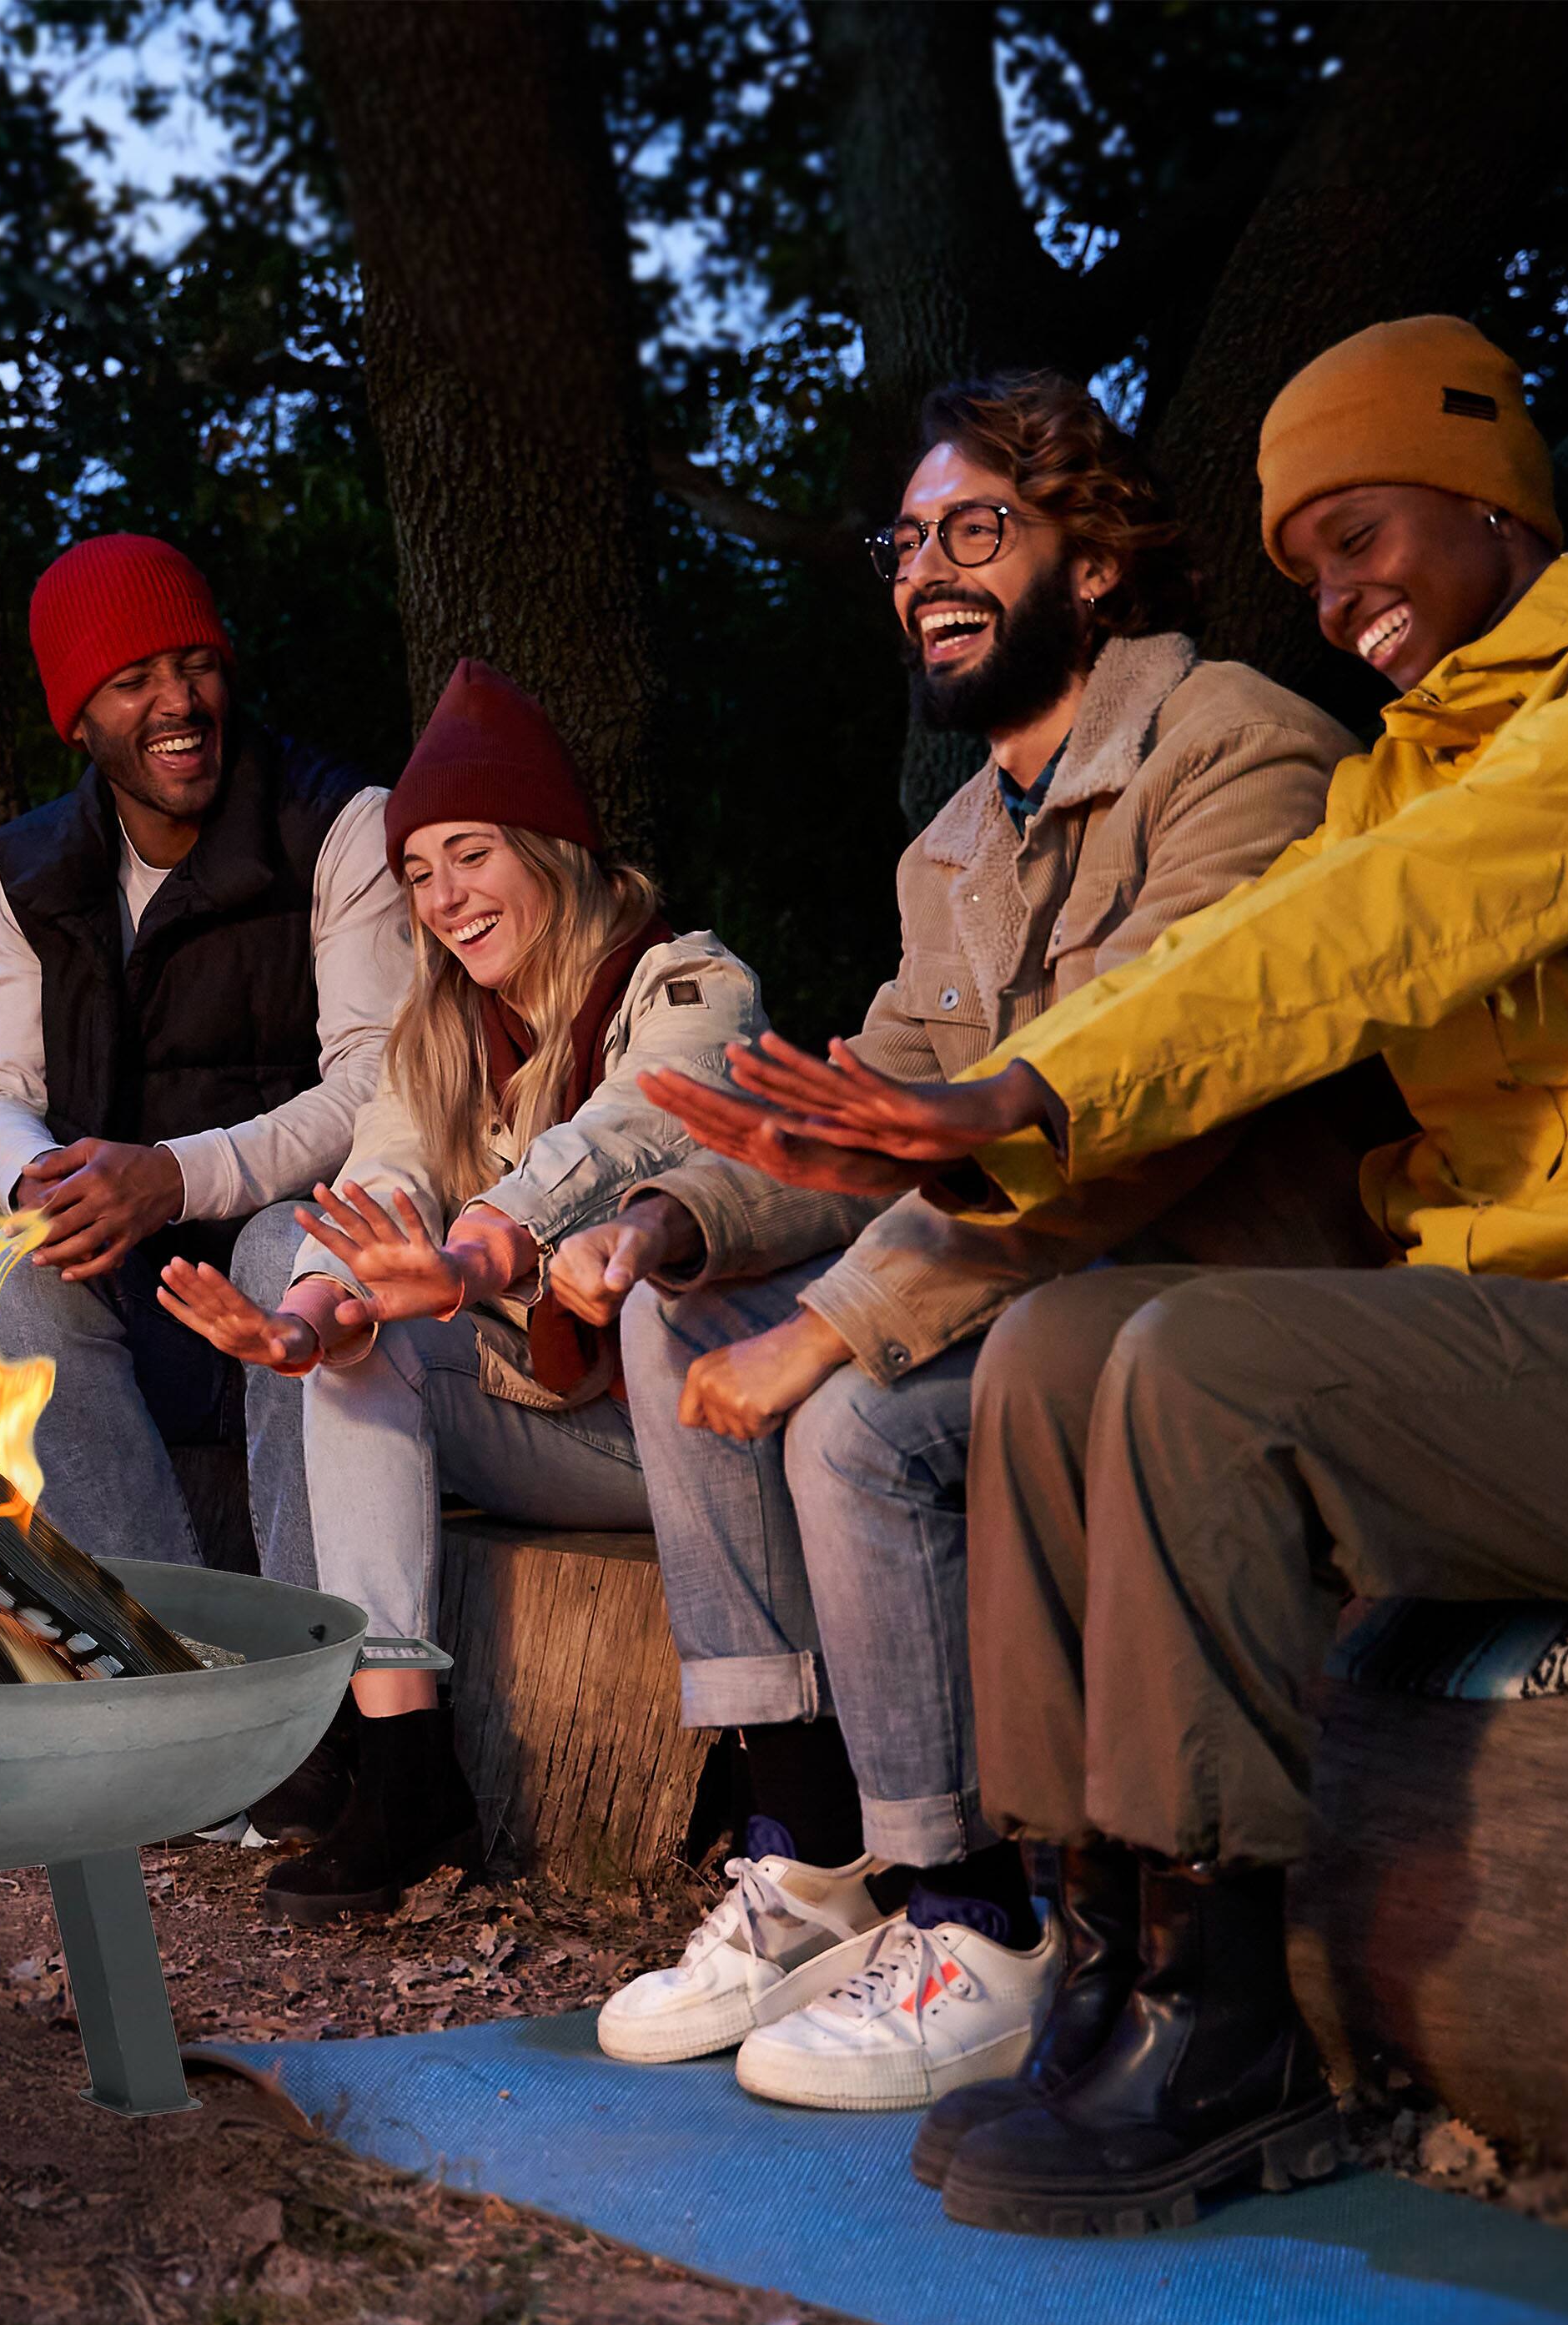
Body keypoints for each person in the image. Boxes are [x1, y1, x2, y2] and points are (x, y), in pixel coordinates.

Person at [704, 315, 1568, 2232]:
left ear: (1487, 496)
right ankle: (1091, 1950)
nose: (1337, 594)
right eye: (1303, 565)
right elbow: (1281, 936)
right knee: (1054, 1348)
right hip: (1510, 1339)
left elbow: (1364, 936)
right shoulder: (1391, 770)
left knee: (1194, 1356)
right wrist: (903, 1125)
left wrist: (1037, 1082)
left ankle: (1225, 2020)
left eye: (1359, 535)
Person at [555, 371, 1382, 2104]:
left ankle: (979, 1914)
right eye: (905, 540)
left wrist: (833, 1329)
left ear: (1095, 563)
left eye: (976, 530)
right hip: (1038, 1290)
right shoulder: (956, 844)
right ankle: (811, 1847)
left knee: (856, 1415)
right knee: (672, 1316)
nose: (926, 569)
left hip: (1213, 1303)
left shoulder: (1239, 743)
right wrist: (680, 1218)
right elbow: (881, 1120)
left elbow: (1140, 1119)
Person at [158, 659, 765, 1922]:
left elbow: (618, 1134)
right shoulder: (435, 1032)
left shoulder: (693, 985)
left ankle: (778, 1800)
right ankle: (407, 1772)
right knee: (353, 1354)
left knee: (614, 1311)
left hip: (692, 1427)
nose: (444, 899)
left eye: (471, 856)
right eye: (419, 872)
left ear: (552, 845)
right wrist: (301, 1320)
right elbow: (374, 1192)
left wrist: (480, 1248)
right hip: (546, 1423)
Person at [0, 533, 410, 1594]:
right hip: (132, 1271)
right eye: (133, 680)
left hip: (296, 1229)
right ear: (78, 717)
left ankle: (322, 1668)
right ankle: (166, 1658)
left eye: (195, 664)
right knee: (7, 1280)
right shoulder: (27, 871)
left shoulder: (339, 825)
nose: (179, 702)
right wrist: (38, 1181)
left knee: (284, 1254)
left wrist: (170, 1174)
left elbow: (377, 1084)